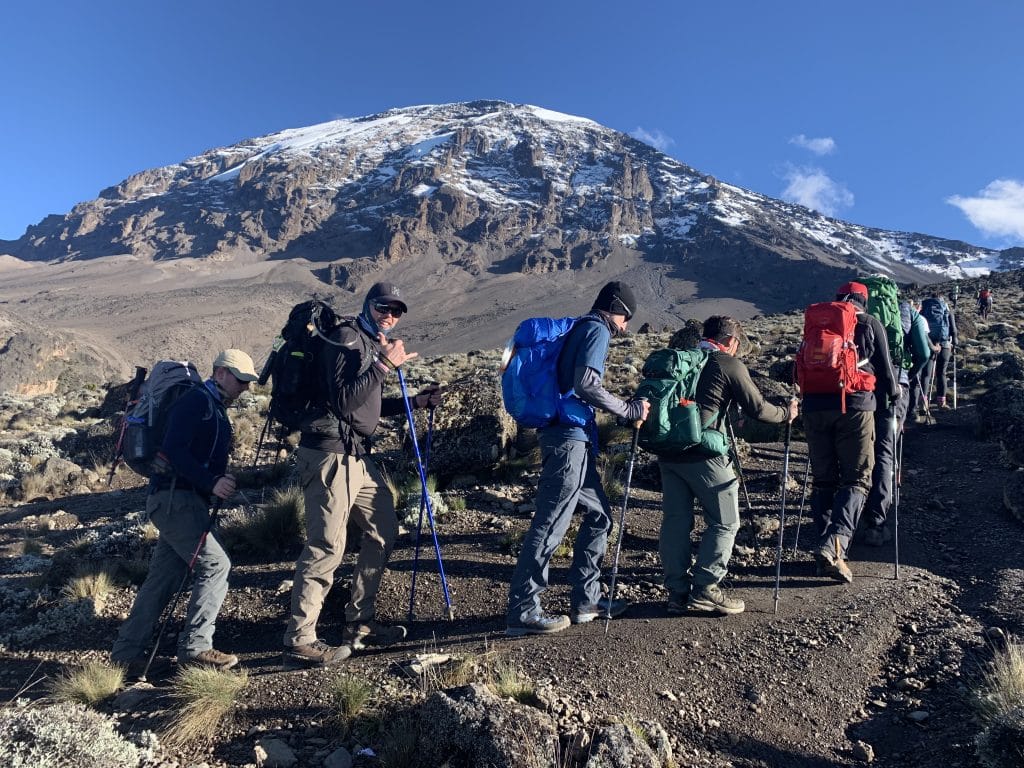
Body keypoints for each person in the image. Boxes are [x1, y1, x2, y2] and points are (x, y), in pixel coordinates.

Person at [282, 283, 442, 669]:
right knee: (326, 546)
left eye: (397, 310)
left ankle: (359, 624)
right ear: (368, 305)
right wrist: (385, 366)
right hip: (329, 455)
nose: (390, 315)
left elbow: (363, 408)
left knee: (383, 527)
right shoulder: (346, 339)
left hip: (355, 455)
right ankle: (300, 640)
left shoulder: (369, 345)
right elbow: (341, 401)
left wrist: (414, 402)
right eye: (384, 307)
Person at [506, 281, 650, 635]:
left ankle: (587, 600)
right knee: (552, 522)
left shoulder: (582, 328)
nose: (626, 326)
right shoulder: (596, 330)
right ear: (616, 308)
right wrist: (629, 409)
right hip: (567, 440)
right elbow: (587, 385)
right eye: (626, 317)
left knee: (600, 516)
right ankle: (523, 611)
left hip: (573, 438)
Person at [112, 349, 259, 677]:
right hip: (176, 500)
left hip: (179, 500)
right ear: (220, 373)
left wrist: (215, 482)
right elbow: (173, 450)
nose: (245, 388)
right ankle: (195, 649)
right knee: (216, 564)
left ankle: (126, 654)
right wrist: (212, 481)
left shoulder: (212, 406)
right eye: (240, 380)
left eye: (248, 382)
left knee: (163, 578)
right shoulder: (196, 401)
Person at [657, 316, 797, 616]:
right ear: (732, 341)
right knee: (724, 522)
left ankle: (677, 593)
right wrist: (786, 413)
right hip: (704, 453)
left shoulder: (683, 359)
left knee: (676, 521)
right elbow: (758, 408)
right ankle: (706, 589)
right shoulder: (727, 363)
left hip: (668, 451)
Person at [801, 282, 900, 583]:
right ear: (863, 301)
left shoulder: (816, 323)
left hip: (813, 406)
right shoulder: (869, 323)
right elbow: (886, 372)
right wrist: (892, 397)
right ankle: (835, 544)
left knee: (823, 480)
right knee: (857, 478)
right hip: (854, 407)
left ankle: (826, 548)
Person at [860, 299, 931, 545]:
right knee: (885, 452)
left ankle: (851, 511)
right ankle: (877, 521)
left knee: (861, 447)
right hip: (895, 388)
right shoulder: (908, 313)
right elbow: (923, 352)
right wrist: (907, 377)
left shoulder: (858, 312)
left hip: (861, 386)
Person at [919, 292, 958, 410]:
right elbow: (953, 329)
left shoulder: (925, 307)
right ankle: (941, 402)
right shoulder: (946, 308)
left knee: (926, 374)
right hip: (944, 343)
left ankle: (923, 403)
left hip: (928, 343)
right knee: (941, 373)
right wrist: (955, 342)